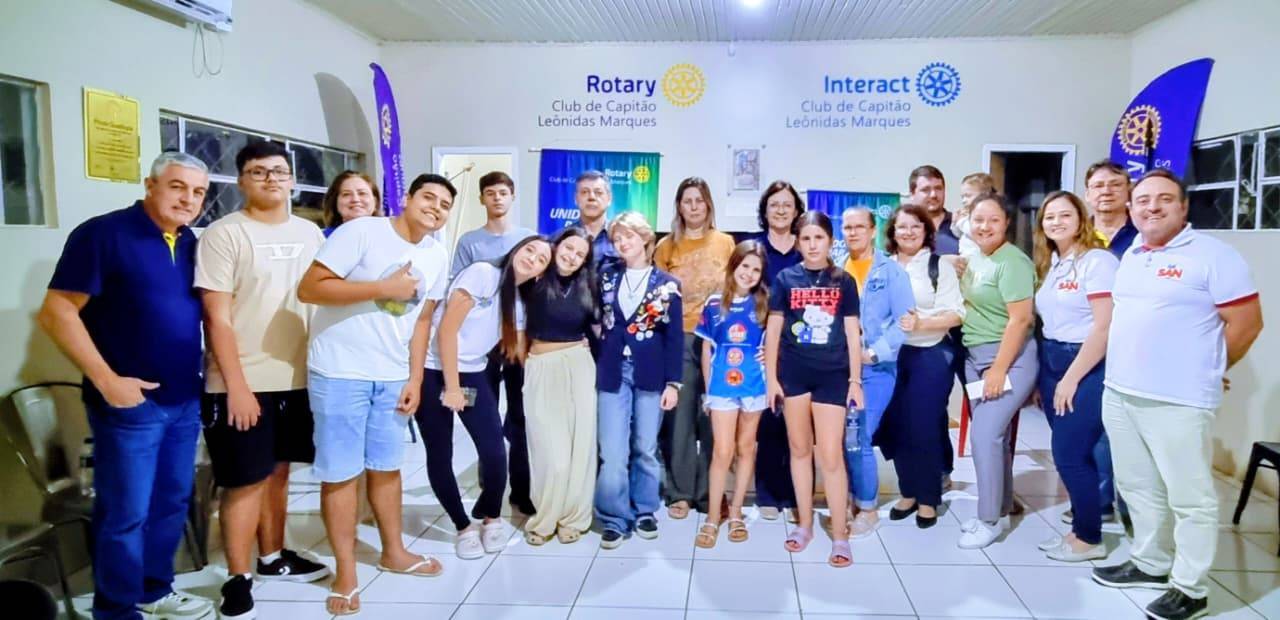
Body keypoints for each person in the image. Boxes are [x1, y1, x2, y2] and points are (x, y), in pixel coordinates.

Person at [38, 152, 216, 620]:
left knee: (171, 503)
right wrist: (108, 380)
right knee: (126, 513)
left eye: (198, 192)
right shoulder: (104, 233)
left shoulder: (191, 241)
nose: (189, 199)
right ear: (150, 184)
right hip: (130, 404)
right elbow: (57, 312)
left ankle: (154, 590)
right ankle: (115, 609)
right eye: (178, 186)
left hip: (183, 398)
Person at [1092, 170, 1263, 620]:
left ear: (1183, 207)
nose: (1151, 207)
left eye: (1164, 199)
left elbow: (1246, 324)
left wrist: (1210, 368)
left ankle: (1191, 588)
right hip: (1122, 392)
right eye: (1142, 199)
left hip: (1179, 400)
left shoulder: (1214, 256)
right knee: (1138, 487)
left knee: (1190, 496)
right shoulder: (1133, 253)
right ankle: (1150, 562)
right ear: (1131, 208)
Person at [296, 173, 457, 614]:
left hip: (391, 375)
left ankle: (394, 551)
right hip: (339, 370)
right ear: (406, 198)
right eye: (429, 197)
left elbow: (422, 321)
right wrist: (382, 288)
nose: (436, 207)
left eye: (445, 204)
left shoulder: (436, 254)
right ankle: (346, 571)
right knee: (341, 472)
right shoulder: (361, 231)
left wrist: (415, 378)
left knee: (387, 468)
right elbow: (309, 289)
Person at [195, 141, 329, 620]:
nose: (271, 179)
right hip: (242, 382)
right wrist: (236, 386)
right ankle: (238, 577)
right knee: (244, 482)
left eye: (278, 171)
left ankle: (272, 558)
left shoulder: (311, 233)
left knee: (279, 473)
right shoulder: (223, 234)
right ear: (241, 182)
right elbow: (218, 319)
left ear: (292, 180)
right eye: (258, 172)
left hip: (299, 379)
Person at [415, 235, 552, 559]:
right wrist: (450, 387)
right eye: (529, 249)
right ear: (517, 250)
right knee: (440, 452)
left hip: (474, 372)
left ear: (541, 273)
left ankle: (491, 517)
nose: (532, 258)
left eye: (542, 259)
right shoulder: (483, 273)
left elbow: (517, 347)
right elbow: (447, 331)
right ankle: (463, 527)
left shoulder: (521, 299)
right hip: (435, 370)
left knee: (494, 453)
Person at [765, 211, 863, 568]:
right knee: (799, 450)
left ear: (829, 240)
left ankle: (839, 533)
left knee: (831, 456)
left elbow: (853, 333)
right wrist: (771, 379)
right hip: (793, 376)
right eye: (805, 238)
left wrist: (855, 381)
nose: (812, 245)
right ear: (797, 241)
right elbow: (774, 332)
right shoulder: (785, 279)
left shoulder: (844, 281)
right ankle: (805, 524)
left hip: (833, 376)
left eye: (818, 238)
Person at [1031, 191, 1117, 563]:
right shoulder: (1054, 261)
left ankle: (1090, 538)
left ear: (1081, 219)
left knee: (1069, 454)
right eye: (1049, 217)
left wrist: (1071, 379)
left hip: (1084, 363)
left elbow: (1104, 327)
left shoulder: (1097, 261)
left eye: (1065, 215)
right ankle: (1080, 529)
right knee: (1071, 452)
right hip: (1053, 359)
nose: (1056, 222)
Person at [450, 171, 538, 515]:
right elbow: (456, 286)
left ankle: (522, 487)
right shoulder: (470, 242)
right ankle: (490, 479)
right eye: (490, 193)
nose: (497, 198)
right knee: (484, 413)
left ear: (512, 197)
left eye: (503, 192)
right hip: (480, 345)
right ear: (482, 199)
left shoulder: (529, 238)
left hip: (517, 339)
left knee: (518, 414)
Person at [594, 212, 683, 549]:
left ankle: (645, 509)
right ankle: (614, 517)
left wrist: (673, 383)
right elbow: (594, 318)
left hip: (651, 373)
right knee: (612, 451)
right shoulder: (605, 277)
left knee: (645, 447)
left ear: (645, 238)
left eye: (628, 236)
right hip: (612, 371)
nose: (622, 243)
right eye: (617, 238)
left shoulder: (667, 284)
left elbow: (674, 339)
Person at [955, 193, 1039, 550]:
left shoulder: (1013, 262)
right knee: (997, 438)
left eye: (992, 220)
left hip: (1008, 358)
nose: (984, 226)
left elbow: (1021, 320)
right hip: (974, 358)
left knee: (985, 436)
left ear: (1006, 223)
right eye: (978, 220)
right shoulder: (977, 258)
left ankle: (988, 520)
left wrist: (998, 368)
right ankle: (1003, 506)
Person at [654, 177, 737, 520]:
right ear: (679, 206)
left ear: (708, 205)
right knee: (681, 418)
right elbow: (655, 298)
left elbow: (738, 289)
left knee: (715, 416)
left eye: (699, 201)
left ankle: (710, 491)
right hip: (680, 338)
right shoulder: (665, 248)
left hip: (720, 340)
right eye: (687, 201)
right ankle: (681, 491)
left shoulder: (726, 243)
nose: (693, 207)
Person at [880, 204, 964, 529]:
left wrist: (921, 323)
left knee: (926, 426)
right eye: (902, 226)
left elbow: (956, 313)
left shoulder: (938, 266)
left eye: (916, 226)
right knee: (898, 425)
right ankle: (908, 492)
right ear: (892, 232)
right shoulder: (883, 267)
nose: (909, 232)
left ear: (926, 231)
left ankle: (929, 498)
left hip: (929, 355)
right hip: (892, 356)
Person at [838, 207, 913, 538]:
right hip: (838, 368)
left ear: (872, 230)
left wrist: (874, 352)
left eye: (859, 227)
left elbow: (904, 321)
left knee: (859, 435)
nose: (852, 233)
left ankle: (867, 507)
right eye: (847, 228)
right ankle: (848, 499)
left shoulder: (891, 272)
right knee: (840, 438)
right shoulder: (836, 266)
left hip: (875, 369)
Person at [521, 227, 599, 545]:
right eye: (568, 248)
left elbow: (598, 330)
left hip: (579, 367)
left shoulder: (587, 287)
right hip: (540, 367)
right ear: (556, 245)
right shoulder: (534, 279)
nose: (572, 257)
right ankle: (543, 520)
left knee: (580, 448)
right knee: (549, 452)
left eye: (580, 254)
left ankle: (574, 518)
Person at [693, 240, 770, 548]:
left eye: (756, 269)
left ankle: (736, 513)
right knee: (722, 451)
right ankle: (714, 516)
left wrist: (769, 356)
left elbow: (774, 343)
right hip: (722, 387)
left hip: (755, 385)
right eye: (745, 266)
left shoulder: (766, 303)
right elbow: (706, 349)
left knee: (746, 448)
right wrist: (709, 391)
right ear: (734, 265)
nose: (749, 273)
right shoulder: (714, 304)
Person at [752, 180, 805, 522]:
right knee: (768, 420)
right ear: (765, 211)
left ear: (797, 210)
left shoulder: (807, 248)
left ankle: (795, 492)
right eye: (774, 205)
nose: (781, 210)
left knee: (797, 421)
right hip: (759, 345)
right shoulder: (753, 249)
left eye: (787, 204)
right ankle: (769, 493)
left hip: (800, 344)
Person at [1084, 160, 1139, 259]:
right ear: (1087, 195)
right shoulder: (1076, 234)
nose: (1106, 191)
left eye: (1116, 185)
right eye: (1098, 186)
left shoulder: (1143, 232)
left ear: (1129, 191)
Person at [571, 170, 620, 271]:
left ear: (609, 198)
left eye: (598, 192)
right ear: (576, 199)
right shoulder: (562, 238)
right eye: (584, 192)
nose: (591, 197)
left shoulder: (622, 239)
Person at [909, 165, 959, 256]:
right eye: (926, 190)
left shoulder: (960, 225)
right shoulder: (903, 228)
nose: (933, 195)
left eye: (938, 188)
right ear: (912, 194)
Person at [320, 170, 381, 237]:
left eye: (362, 193)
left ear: (375, 201)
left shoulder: (389, 236)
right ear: (334, 202)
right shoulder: (322, 239)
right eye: (346, 194)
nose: (355, 199)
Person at [952, 172, 996, 258]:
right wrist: (954, 222)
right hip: (964, 255)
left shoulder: (985, 214)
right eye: (962, 197)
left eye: (968, 196)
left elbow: (976, 233)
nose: (963, 201)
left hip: (978, 257)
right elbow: (959, 235)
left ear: (984, 196)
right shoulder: (968, 214)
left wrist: (961, 221)